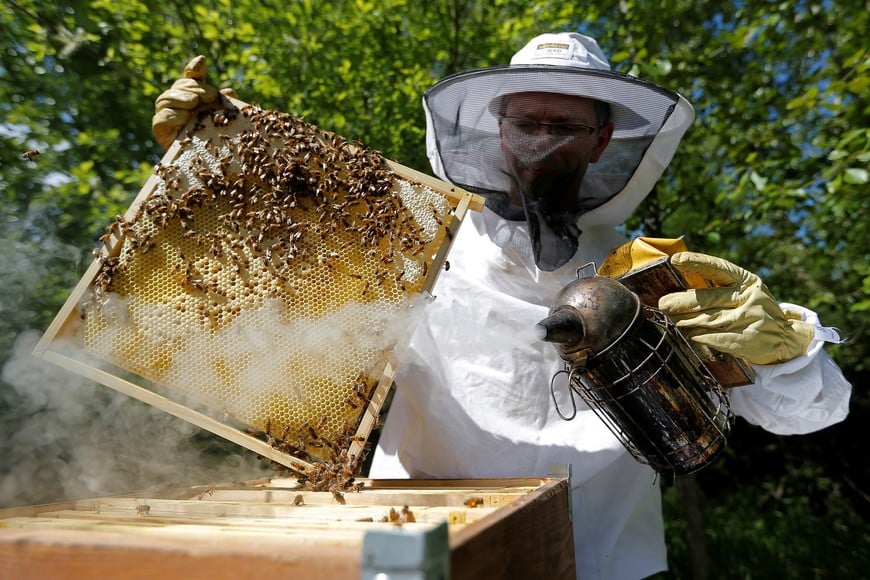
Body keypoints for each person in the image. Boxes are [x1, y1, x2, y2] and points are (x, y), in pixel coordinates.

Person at [153, 32, 852, 579]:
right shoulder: (413, 238)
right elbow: (270, 307)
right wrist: (206, 172)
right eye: (527, 123)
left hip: (596, 557)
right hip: (407, 542)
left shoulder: (650, 270)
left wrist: (785, 352)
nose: (542, 141)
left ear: (604, 139)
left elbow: (817, 411)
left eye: (565, 127)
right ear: (496, 130)